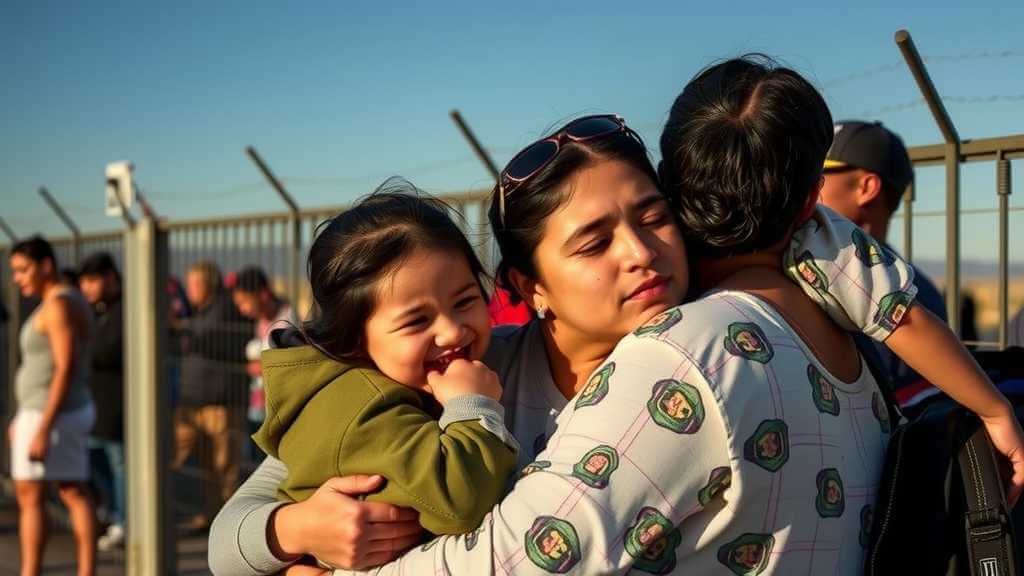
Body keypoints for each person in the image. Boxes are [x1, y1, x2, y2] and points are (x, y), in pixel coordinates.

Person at [210, 71, 1023, 573]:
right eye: (594, 242)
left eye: (653, 216)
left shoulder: (686, 360)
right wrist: (294, 531)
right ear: (530, 288)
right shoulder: (468, 374)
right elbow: (235, 528)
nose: (640, 253)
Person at [251, 187, 520, 568]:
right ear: (356, 339)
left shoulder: (375, 383)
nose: (452, 332)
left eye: (464, 301)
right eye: (416, 321)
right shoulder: (364, 406)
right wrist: (473, 406)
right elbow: (458, 500)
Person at [818, 120, 948, 407]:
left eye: (821, 174)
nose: (807, 186)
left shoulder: (917, 298)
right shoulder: (801, 268)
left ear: (866, 187)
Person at [8, 236, 97, 576]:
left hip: (53, 413)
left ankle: (33, 571)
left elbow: (65, 366)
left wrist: (42, 426)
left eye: (23, 269)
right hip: (53, 410)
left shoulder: (58, 305)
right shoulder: (65, 299)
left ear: (46, 265)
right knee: (71, 490)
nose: (18, 278)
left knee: (38, 495)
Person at [174, 260, 251, 531]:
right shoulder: (200, 311)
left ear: (209, 283)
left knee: (224, 469)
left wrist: (184, 331)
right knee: (206, 469)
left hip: (222, 403)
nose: (190, 289)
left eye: (195, 283)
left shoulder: (225, 309)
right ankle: (211, 517)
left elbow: (220, 342)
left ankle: (227, 527)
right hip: (195, 402)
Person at [78, 252, 126, 551]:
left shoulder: (123, 310)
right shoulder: (94, 310)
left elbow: (106, 350)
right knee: (96, 463)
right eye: (84, 282)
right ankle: (110, 512)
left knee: (119, 465)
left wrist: (84, 348)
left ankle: (123, 520)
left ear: (110, 277)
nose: (87, 288)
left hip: (117, 404)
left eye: (93, 280)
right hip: (94, 405)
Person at [230, 267, 295, 458]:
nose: (242, 309)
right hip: (259, 407)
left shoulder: (288, 322)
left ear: (263, 295)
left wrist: (263, 366)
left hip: (279, 412)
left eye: (244, 302)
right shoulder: (259, 321)